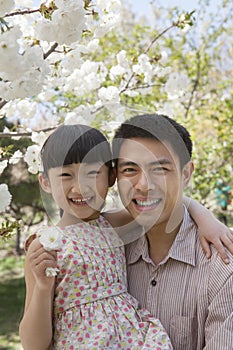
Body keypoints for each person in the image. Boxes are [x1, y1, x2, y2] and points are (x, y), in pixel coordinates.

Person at [19, 124, 173, 350]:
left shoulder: (112, 225)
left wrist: (210, 223)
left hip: (132, 341)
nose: (79, 187)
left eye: (91, 173)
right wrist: (43, 287)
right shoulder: (45, 247)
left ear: (110, 177)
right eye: (65, 175)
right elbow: (34, 345)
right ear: (45, 182)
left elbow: (165, 205)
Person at [112, 113, 233, 350]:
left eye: (160, 169)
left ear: (186, 174)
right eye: (129, 170)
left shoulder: (223, 269)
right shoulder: (106, 256)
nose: (144, 185)